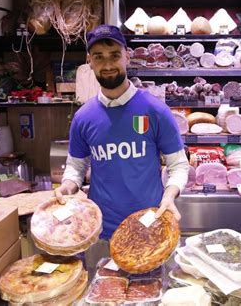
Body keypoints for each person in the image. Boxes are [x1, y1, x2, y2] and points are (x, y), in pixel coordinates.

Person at [54, 24, 189, 269]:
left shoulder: (155, 110)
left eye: (114, 55)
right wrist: (67, 187)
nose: (107, 65)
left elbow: (178, 165)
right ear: (89, 61)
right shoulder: (83, 117)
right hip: (100, 232)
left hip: (151, 228)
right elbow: (75, 167)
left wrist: (169, 196)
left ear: (127, 55)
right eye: (99, 57)